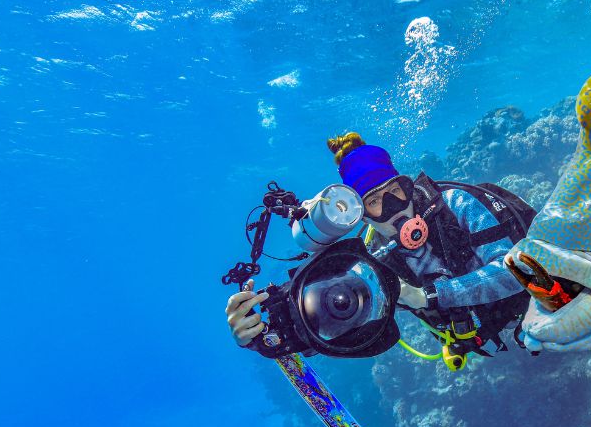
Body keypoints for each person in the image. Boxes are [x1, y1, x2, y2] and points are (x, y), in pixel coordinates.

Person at [227, 132, 534, 366]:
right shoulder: (375, 260)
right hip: (481, 335)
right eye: (375, 202)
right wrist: (261, 333)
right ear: (364, 216)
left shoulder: (457, 204)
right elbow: (330, 316)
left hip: (537, 302)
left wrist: (425, 296)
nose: (393, 209)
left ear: (409, 189)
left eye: (396, 193)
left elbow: (516, 273)